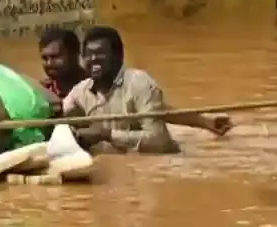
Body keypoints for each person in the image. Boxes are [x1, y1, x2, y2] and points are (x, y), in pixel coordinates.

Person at [58, 26, 232, 152]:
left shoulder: (139, 83)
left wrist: (107, 134)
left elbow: (159, 141)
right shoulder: (80, 92)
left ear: (119, 56)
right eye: (88, 54)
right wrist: (204, 122)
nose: (93, 59)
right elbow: (159, 110)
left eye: (100, 53)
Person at [38, 26, 87, 102]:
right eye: (45, 58)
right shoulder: (41, 93)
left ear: (74, 55)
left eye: (55, 57)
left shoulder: (95, 89)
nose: (49, 63)